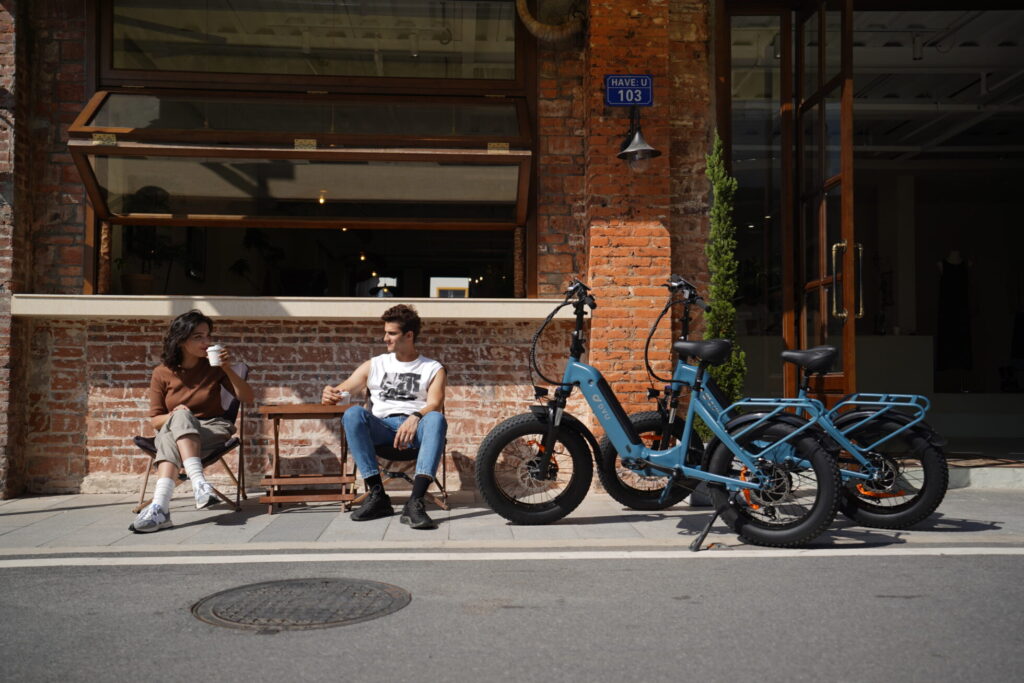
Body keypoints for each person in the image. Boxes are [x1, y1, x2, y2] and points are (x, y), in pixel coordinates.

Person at [322, 304, 447, 530]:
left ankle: (415, 502)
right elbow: (342, 392)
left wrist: (415, 417)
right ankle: (377, 495)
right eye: (385, 332)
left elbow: (435, 404)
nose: (385, 338)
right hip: (382, 428)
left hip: (417, 431)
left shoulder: (432, 368)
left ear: (409, 335)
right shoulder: (375, 364)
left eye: (391, 333)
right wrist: (330, 394)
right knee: (353, 414)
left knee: (436, 419)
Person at [130, 310, 254, 533]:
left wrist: (226, 368)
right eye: (198, 337)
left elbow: (247, 397)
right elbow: (156, 420)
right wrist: (176, 416)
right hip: (175, 431)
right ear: (180, 340)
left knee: (170, 434)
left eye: (208, 336)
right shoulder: (161, 373)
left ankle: (160, 508)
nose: (206, 342)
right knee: (177, 420)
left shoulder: (214, 368)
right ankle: (198, 484)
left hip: (212, 428)